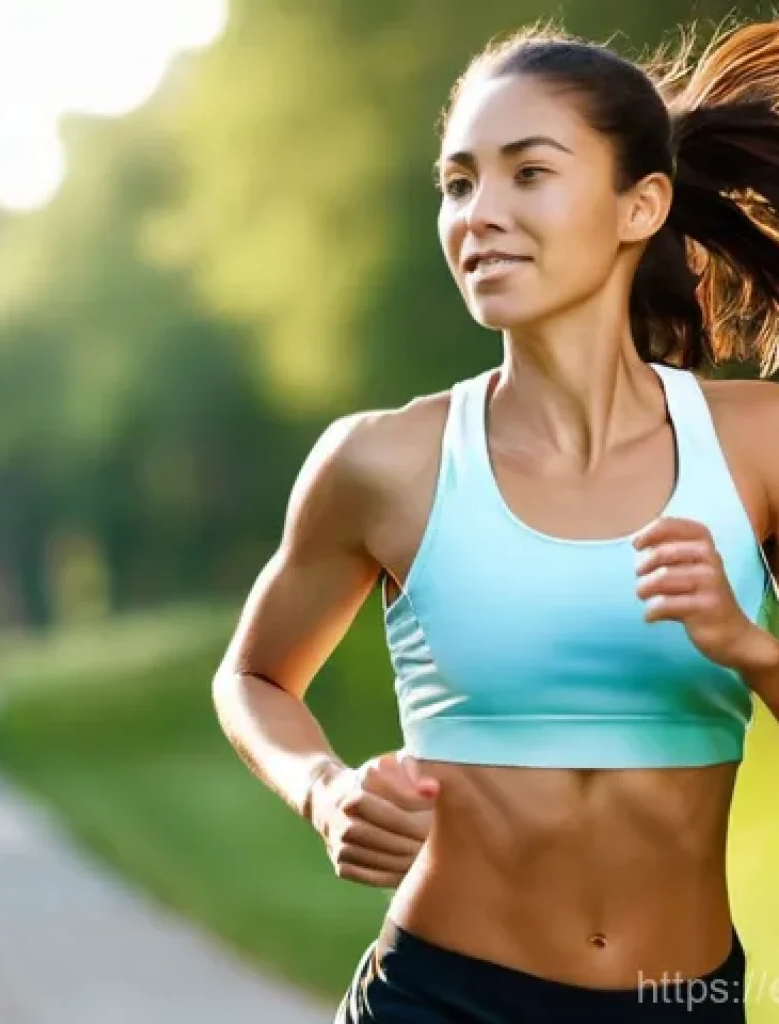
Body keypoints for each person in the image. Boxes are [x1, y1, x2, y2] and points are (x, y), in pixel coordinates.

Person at [211, 17, 779, 1024]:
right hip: (439, 998)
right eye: (457, 182)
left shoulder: (757, 445)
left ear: (638, 204)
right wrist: (323, 791)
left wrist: (747, 647)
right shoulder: (382, 462)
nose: (478, 214)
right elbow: (253, 677)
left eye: (528, 173)